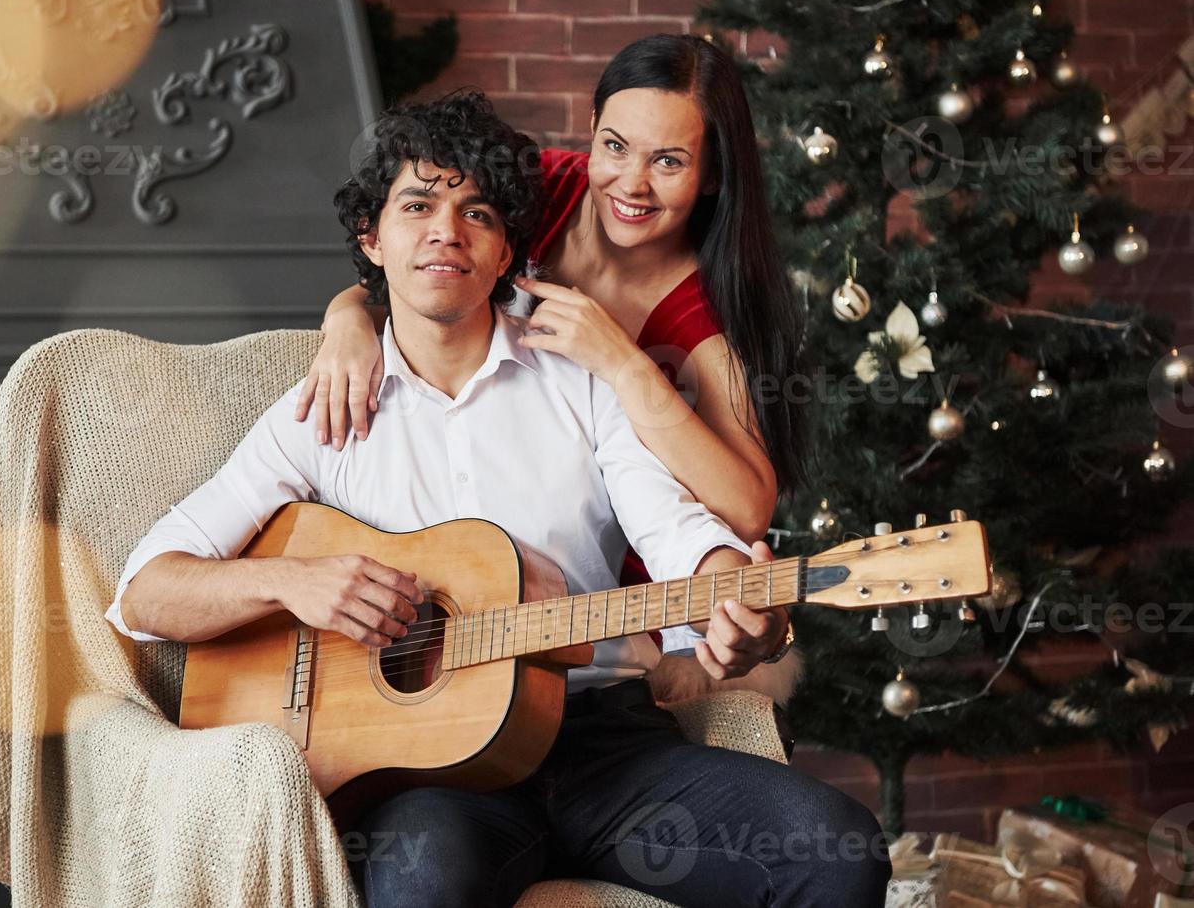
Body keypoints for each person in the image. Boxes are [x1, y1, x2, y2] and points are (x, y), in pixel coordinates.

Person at [106, 91, 891, 907]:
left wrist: (742, 604)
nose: (446, 230)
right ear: (371, 240)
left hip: (605, 748)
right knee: (421, 882)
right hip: (428, 780)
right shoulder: (321, 411)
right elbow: (143, 591)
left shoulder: (583, 384)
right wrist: (289, 583)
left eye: (476, 211)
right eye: (417, 205)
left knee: (835, 851)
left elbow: (678, 530)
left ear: (509, 248)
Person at [302, 38, 806, 679]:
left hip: (602, 591)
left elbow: (749, 505)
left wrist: (623, 364)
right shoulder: (542, 189)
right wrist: (347, 316)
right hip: (469, 543)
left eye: (670, 162)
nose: (632, 183)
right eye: (616, 146)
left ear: (711, 175)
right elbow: (420, 263)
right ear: (592, 130)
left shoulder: (703, 318)